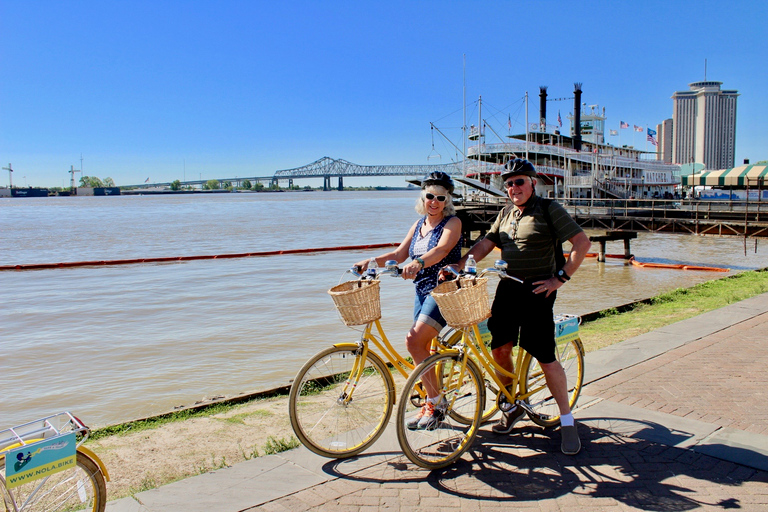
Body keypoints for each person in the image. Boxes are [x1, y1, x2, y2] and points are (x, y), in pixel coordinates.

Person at [448, 158, 591, 455]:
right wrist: (460, 266)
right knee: (499, 348)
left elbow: (582, 243)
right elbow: (486, 244)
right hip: (507, 289)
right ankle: (512, 405)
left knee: (545, 357)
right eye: (509, 183)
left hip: (539, 291)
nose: (514, 187)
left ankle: (566, 420)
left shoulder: (549, 209)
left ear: (532, 182)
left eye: (519, 181)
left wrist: (560, 279)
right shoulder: (505, 214)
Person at [355, 171, 462, 430]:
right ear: (422, 197)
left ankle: (436, 403)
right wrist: (368, 262)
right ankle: (432, 403)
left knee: (413, 341)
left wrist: (419, 262)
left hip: (444, 290)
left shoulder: (452, 222)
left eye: (440, 197)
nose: (434, 202)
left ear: (447, 200)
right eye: (429, 196)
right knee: (421, 347)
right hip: (421, 290)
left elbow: (442, 250)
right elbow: (399, 253)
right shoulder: (418, 225)